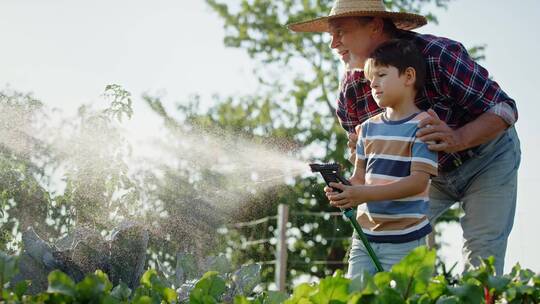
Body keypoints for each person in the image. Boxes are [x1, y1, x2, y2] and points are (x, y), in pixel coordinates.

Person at [288, 0, 520, 275]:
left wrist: (457, 137)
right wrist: (355, 167)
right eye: (330, 36)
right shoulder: (353, 91)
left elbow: (504, 109)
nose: (333, 44)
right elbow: (363, 158)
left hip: (486, 160)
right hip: (422, 176)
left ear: (374, 26)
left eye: (340, 32)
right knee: (380, 238)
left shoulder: (437, 55)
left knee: (482, 253)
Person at [325, 39, 438, 276]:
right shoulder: (366, 129)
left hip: (406, 240)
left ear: (408, 77)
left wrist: (363, 193)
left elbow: (418, 182)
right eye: (370, 79)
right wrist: (345, 190)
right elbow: (359, 179)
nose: (373, 84)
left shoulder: (423, 126)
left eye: (382, 75)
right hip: (364, 238)